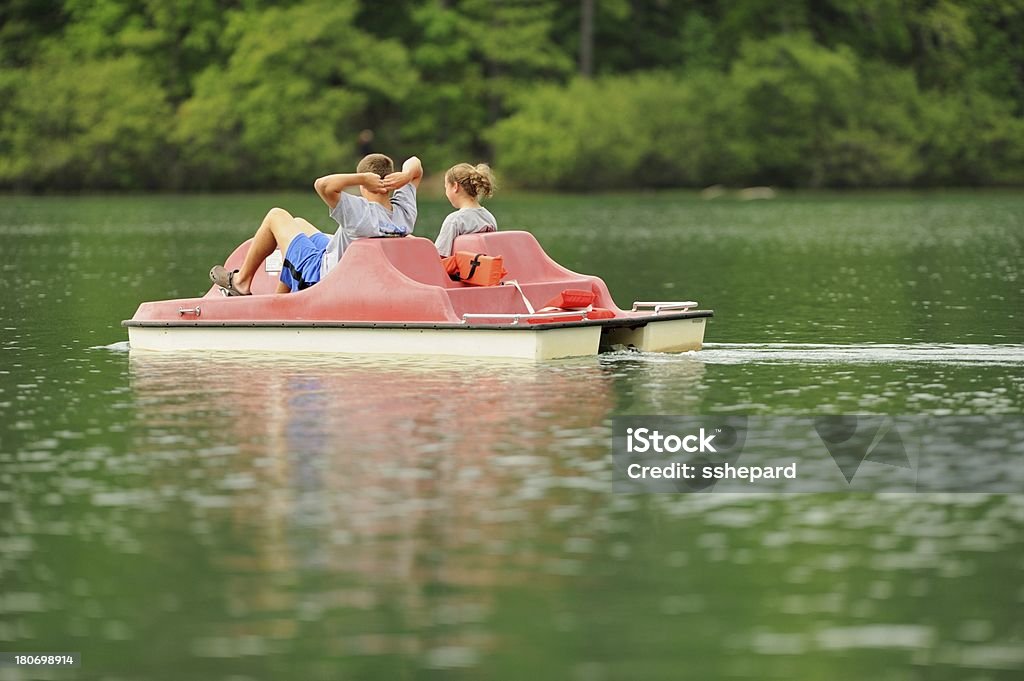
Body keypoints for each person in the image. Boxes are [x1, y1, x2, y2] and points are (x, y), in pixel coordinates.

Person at [210, 154, 422, 295]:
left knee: (276, 215)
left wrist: (361, 179)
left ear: (366, 185)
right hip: (348, 261)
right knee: (298, 224)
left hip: (322, 276)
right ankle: (281, 299)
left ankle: (241, 281)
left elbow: (322, 185)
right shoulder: (403, 213)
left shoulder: (360, 213)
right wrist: (405, 176)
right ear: (394, 183)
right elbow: (416, 165)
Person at [434, 163, 497, 257]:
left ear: (455, 187)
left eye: (446, 187)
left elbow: (439, 257)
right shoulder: (489, 218)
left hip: (460, 271)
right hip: (481, 270)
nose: (446, 192)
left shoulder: (454, 220)